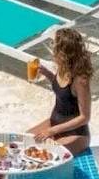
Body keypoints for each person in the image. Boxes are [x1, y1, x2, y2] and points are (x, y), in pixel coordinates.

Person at [29, 28, 93, 156]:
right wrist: (47, 74)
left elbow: (84, 117)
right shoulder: (63, 68)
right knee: (24, 141)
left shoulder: (80, 80)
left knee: (46, 155)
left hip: (76, 133)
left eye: (54, 45)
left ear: (63, 53)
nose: (52, 49)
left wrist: (52, 131)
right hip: (55, 123)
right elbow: (62, 91)